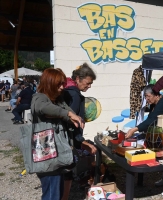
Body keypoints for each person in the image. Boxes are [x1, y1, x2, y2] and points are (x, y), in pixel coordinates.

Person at [31, 68, 84, 200]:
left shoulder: (57, 100)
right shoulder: (39, 97)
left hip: (57, 155)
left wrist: (72, 116)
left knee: (57, 193)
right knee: (51, 195)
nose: (62, 87)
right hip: (47, 156)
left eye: (63, 84)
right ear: (49, 83)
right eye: (59, 84)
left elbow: (65, 109)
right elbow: (42, 108)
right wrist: (68, 114)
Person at [125, 84, 163, 197]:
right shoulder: (156, 103)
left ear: (156, 95)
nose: (147, 99)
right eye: (145, 96)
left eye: (148, 96)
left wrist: (135, 129)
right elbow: (152, 120)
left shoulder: (162, 103)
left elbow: (151, 120)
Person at [61, 63, 97, 200]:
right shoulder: (75, 96)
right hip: (68, 141)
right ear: (77, 79)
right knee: (67, 172)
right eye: (88, 83)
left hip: (64, 140)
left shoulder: (67, 91)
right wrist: (82, 142)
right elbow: (71, 124)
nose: (89, 86)